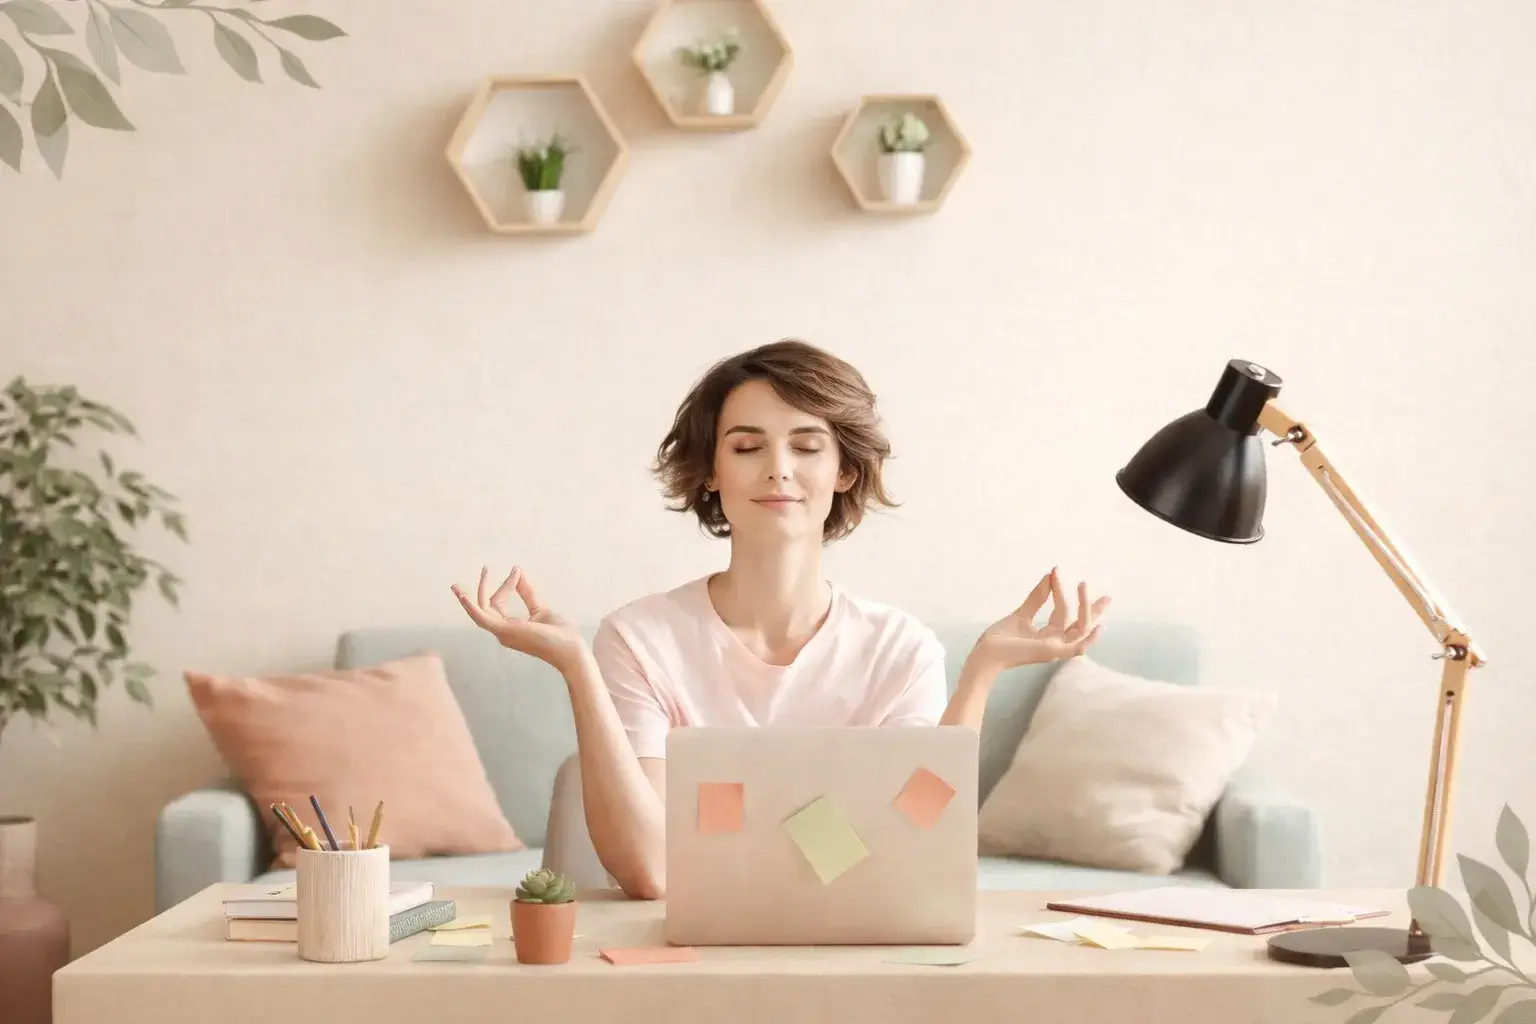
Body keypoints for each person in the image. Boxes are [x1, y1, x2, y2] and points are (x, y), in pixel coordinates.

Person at [452, 339, 1110, 900]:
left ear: (845, 470)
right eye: (746, 447)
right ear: (710, 471)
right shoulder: (640, 638)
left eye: (806, 446)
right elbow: (650, 871)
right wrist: (577, 667)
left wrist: (983, 672)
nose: (778, 470)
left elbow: (915, 839)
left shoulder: (899, 649)